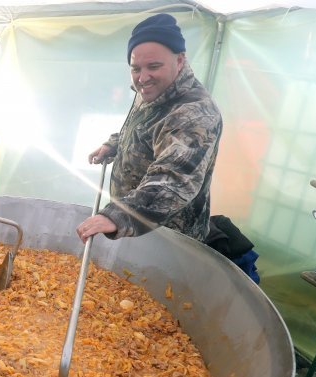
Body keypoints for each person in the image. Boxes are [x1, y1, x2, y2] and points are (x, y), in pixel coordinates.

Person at [77, 13, 222, 243]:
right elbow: (143, 125)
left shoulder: (194, 113)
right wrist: (115, 143)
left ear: (180, 60)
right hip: (133, 223)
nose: (143, 78)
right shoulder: (154, 89)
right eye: (135, 68)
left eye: (154, 66)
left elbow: (174, 179)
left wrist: (119, 215)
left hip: (168, 236)